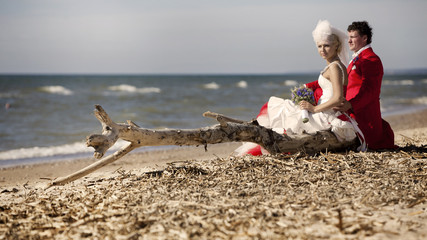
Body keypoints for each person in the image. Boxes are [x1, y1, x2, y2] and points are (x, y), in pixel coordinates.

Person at [235, 20, 360, 156]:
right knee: (283, 109)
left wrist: (314, 109)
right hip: (325, 110)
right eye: (319, 46)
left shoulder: (335, 67)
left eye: (327, 46)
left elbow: (338, 97)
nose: (322, 50)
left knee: (277, 107)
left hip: (325, 114)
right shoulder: (337, 65)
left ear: (336, 46)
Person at [334, 21, 395, 150]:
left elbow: (370, 91)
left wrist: (350, 104)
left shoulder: (371, 59)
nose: (349, 41)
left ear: (364, 38)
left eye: (353, 37)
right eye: (348, 37)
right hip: (350, 112)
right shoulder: (357, 58)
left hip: (364, 117)